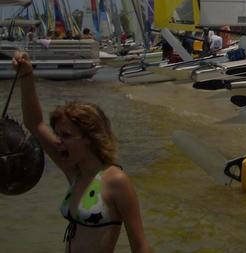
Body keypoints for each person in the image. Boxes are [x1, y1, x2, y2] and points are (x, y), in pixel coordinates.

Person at [12, 51, 151, 253]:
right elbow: (35, 124)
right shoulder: (74, 172)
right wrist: (26, 75)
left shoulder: (116, 181)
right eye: (57, 134)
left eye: (66, 135)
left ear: (89, 137)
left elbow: (140, 246)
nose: (58, 141)